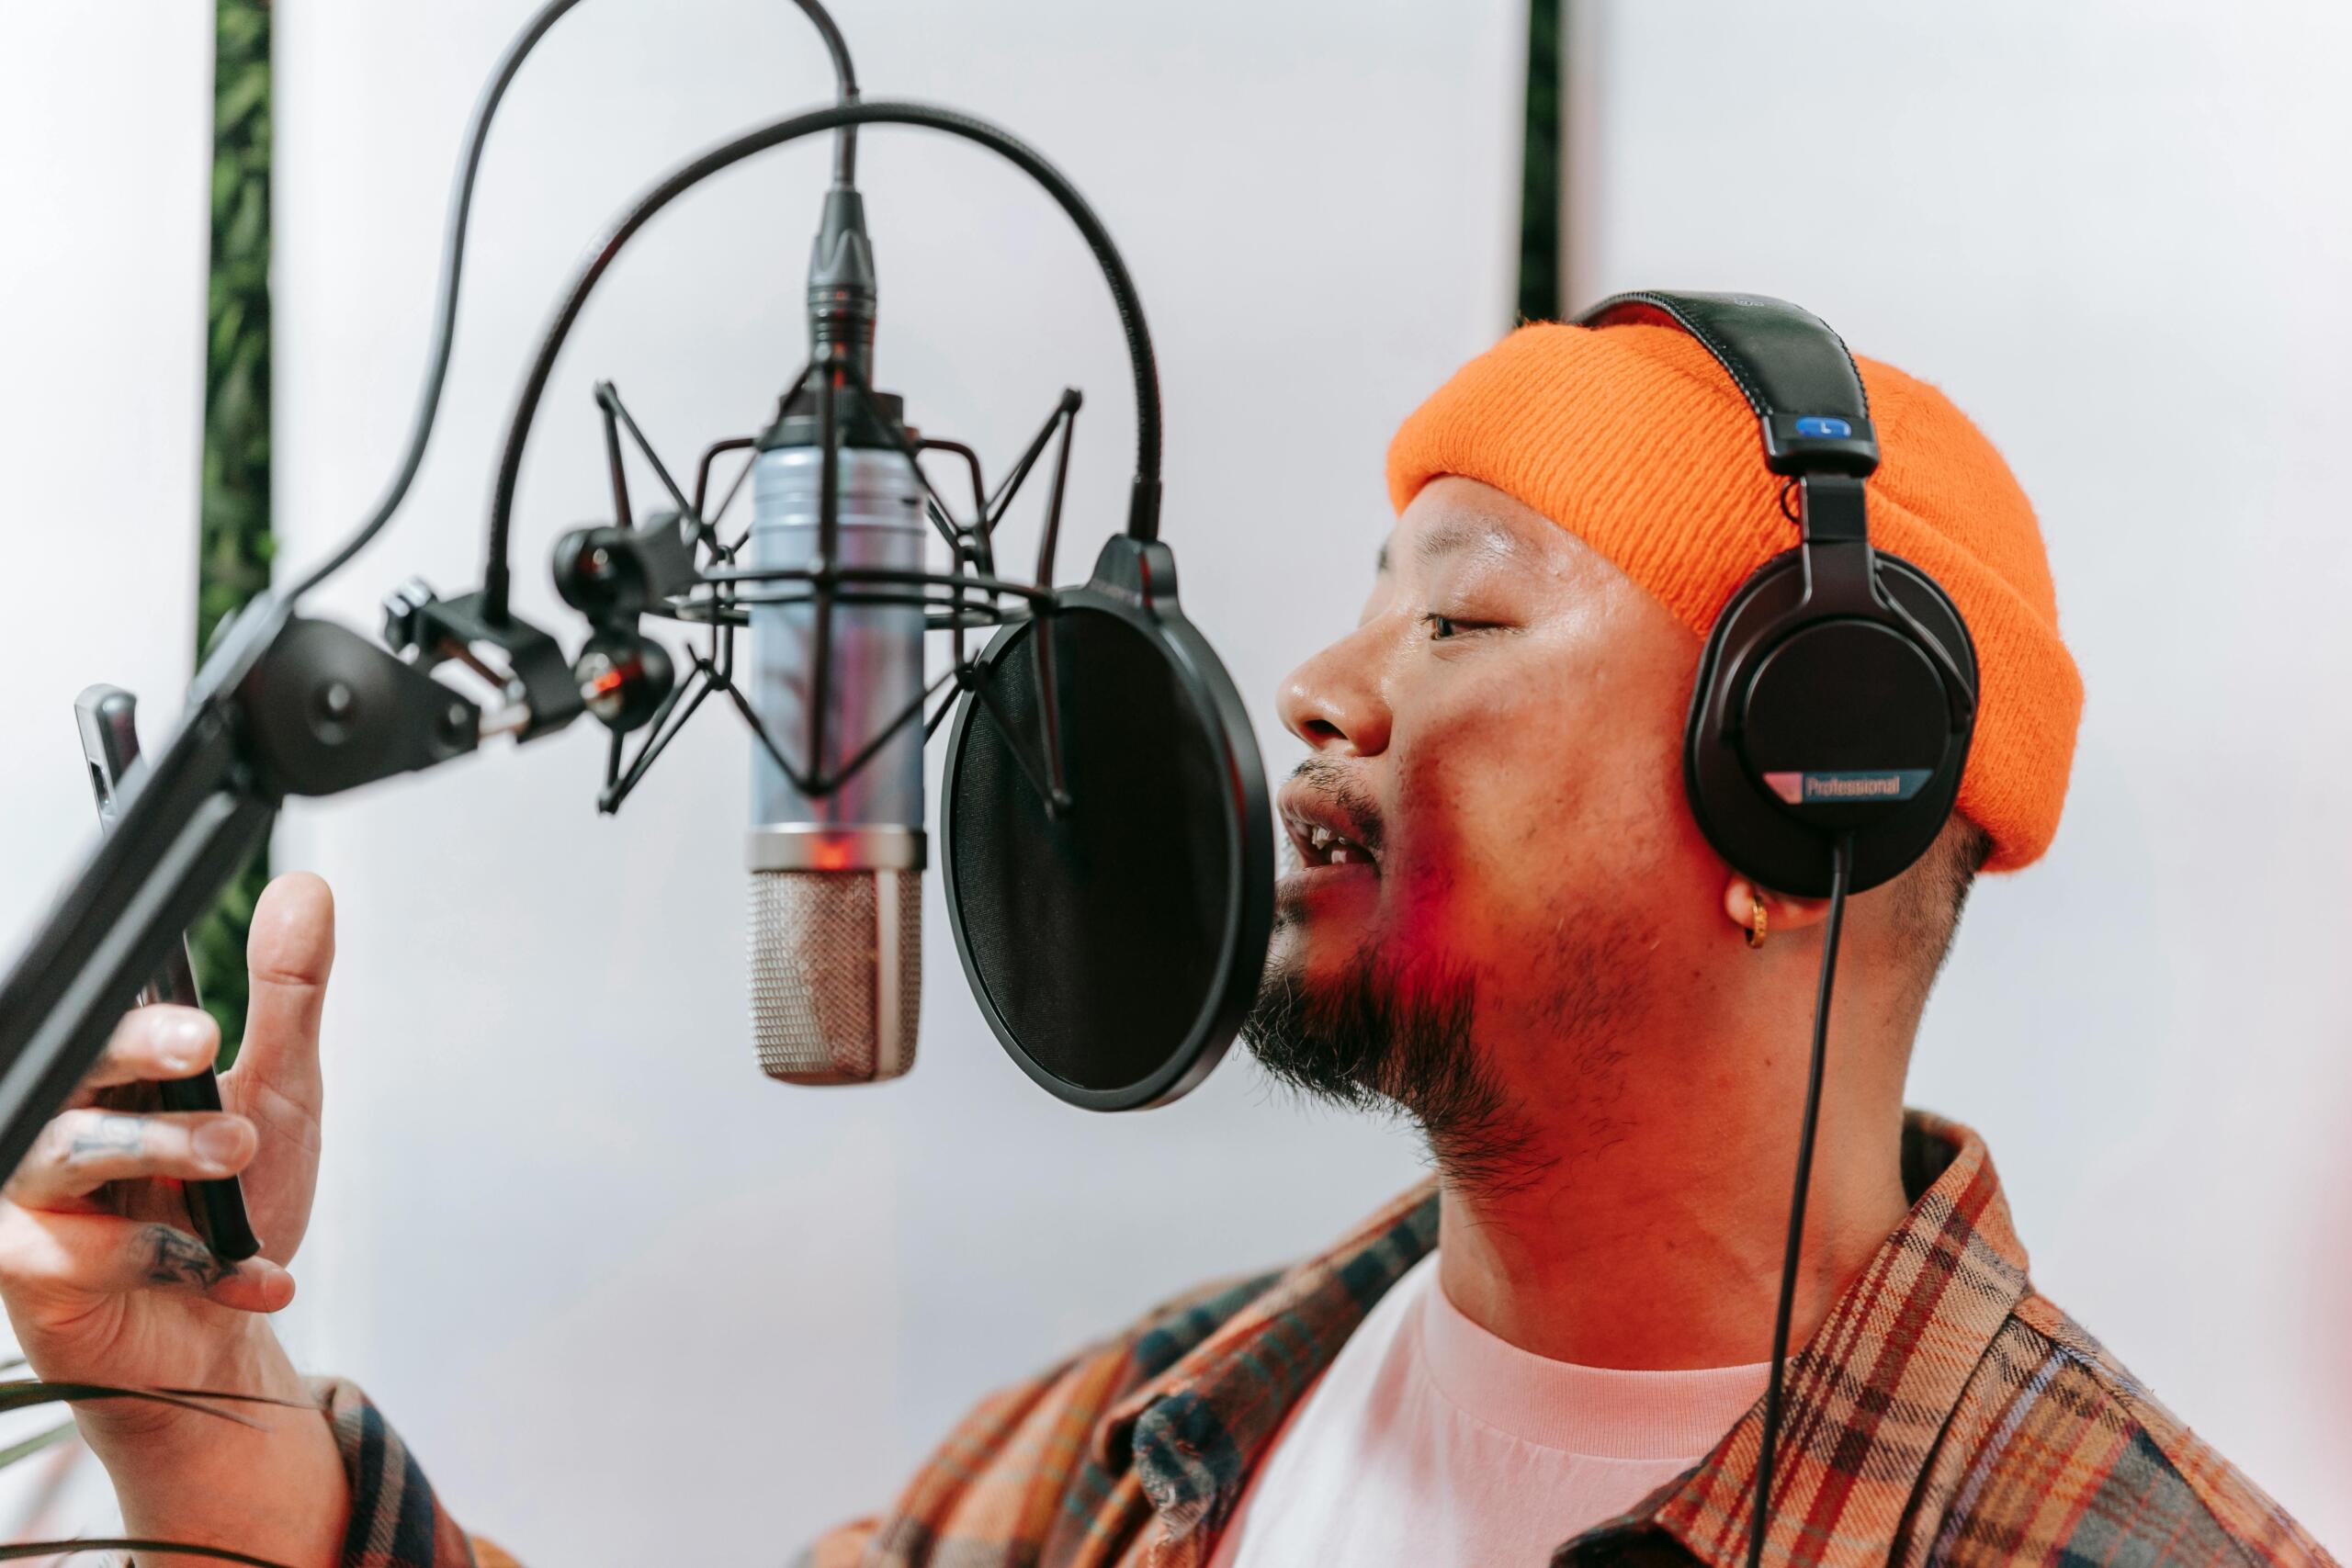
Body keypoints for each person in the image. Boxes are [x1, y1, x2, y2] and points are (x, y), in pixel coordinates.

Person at [0, 315, 2331, 1568]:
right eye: (1359, 601)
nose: (1314, 682)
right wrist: (215, 1430)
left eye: (1461, 615)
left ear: (1798, 777)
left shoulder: (2107, 1547)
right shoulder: (1153, 1436)